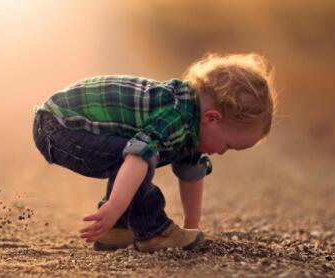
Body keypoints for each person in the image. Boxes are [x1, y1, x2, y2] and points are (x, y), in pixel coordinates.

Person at [32, 53, 276, 252]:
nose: (223, 153)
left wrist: (191, 228)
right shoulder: (175, 116)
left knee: (133, 159)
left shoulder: (193, 125)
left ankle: (118, 230)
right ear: (212, 118)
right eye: (228, 145)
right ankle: (154, 231)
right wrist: (115, 204)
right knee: (136, 160)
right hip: (59, 126)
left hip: (62, 124)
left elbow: (191, 173)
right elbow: (137, 156)